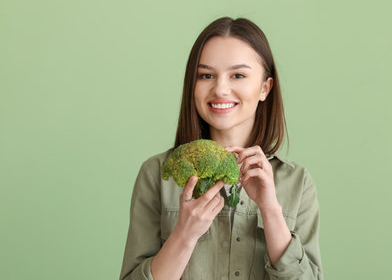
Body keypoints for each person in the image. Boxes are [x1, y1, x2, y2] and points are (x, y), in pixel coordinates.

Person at [119, 17, 323, 280]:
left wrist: (271, 210)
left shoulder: (297, 182)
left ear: (265, 87)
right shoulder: (157, 174)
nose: (220, 89)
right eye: (206, 75)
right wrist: (184, 235)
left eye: (238, 75)